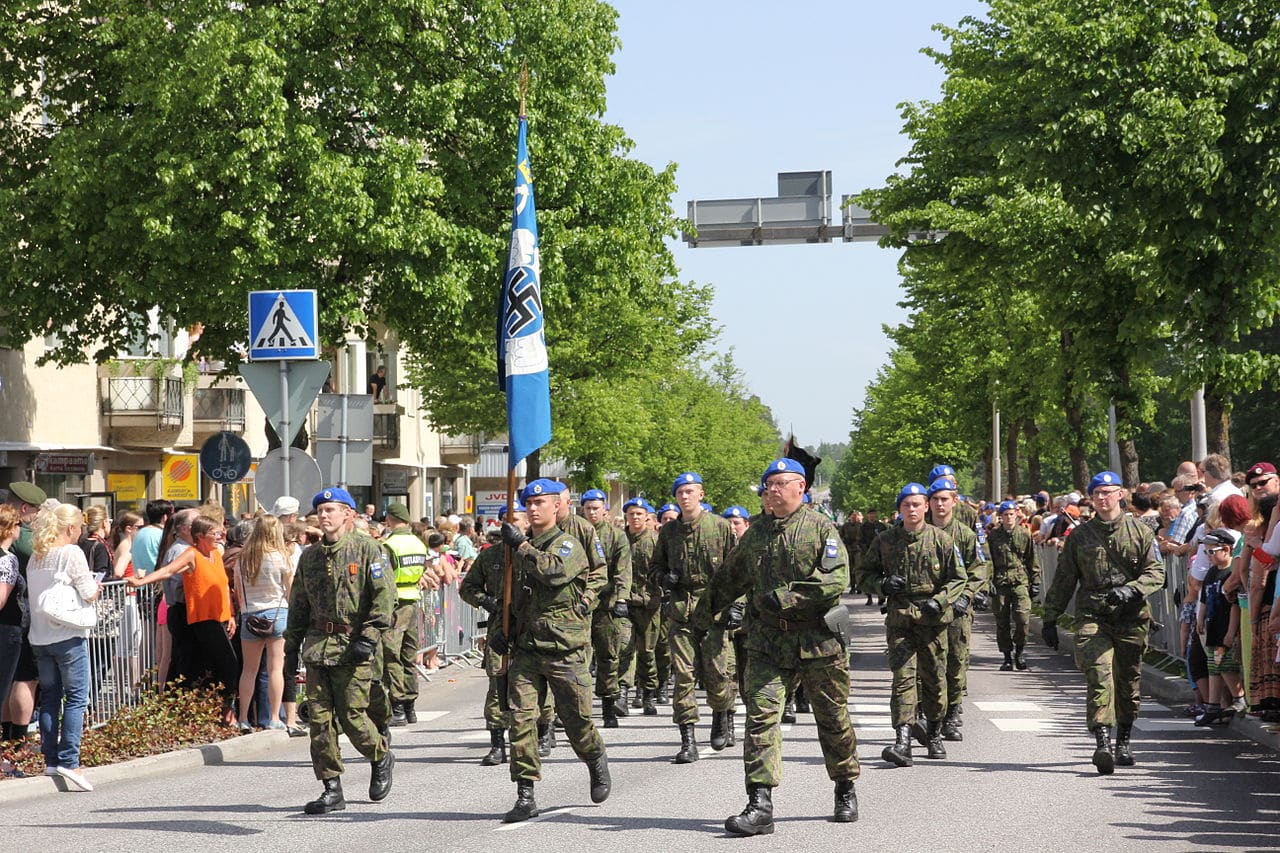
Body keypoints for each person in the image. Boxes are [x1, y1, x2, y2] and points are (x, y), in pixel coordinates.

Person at [711, 459, 859, 835]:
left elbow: (834, 579)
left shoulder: (820, 527)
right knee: (760, 718)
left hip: (817, 642)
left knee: (832, 718)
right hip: (767, 642)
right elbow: (730, 579)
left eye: (780, 484)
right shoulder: (756, 533)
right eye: (767, 485)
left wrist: (788, 597)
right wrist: (701, 617)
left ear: (801, 488)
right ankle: (760, 803)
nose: (771, 490)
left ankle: (844, 786)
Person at [490, 479, 610, 823]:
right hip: (526, 647)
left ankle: (595, 758)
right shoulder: (514, 549)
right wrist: (501, 630)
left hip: (563, 647)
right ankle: (525, 793)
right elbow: (507, 595)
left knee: (576, 721)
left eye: (540, 502)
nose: (532, 508)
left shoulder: (568, 543)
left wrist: (523, 547)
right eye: (528, 502)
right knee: (521, 718)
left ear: (557, 506)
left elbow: (553, 572)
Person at [1042, 471, 1165, 775]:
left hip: (1131, 618)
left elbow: (1156, 573)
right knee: (1100, 675)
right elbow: (1064, 579)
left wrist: (1131, 589)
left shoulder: (1141, 533)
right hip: (1093, 616)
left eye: (1108, 492)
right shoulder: (1080, 536)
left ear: (1121, 494)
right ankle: (1102, 743)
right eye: (1097, 493)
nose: (1102, 498)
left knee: (1128, 682)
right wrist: (1050, 616)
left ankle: (1123, 741)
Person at [284, 487, 395, 814]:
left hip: (354, 646)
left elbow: (384, 597)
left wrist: (370, 636)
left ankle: (380, 754)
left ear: (349, 514)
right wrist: (291, 648)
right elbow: (299, 604)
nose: (325, 515)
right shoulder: (310, 556)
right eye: (321, 510)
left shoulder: (368, 550)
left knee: (353, 717)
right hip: (319, 647)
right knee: (319, 723)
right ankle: (332, 788)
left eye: (332, 509)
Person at [856, 483, 966, 767]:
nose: (912, 509)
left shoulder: (941, 540)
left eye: (917, 504)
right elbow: (863, 574)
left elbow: (958, 578)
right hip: (900, 617)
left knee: (934, 680)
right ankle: (902, 740)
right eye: (907, 505)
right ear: (900, 509)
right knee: (903, 679)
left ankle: (934, 732)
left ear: (926, 507)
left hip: (933, 620)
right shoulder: (884, 540)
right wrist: (882, 584)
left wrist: (941, 601)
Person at [651, 472, 738, 763]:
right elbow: (654, 570)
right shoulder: (669, 533)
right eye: (680, 493)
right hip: (681, 611)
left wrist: (737, 605)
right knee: (684, 676)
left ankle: (720, 715)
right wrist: (666, 578)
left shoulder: (721, 527)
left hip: (714, 610)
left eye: (690, 491)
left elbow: (739, 572)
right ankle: (687, 739)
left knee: (716, 673)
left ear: (701, 494)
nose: (685, 497)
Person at [459, 501, 552, 766]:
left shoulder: (539, 552)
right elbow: (468, 587)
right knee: (497, 685)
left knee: (540, 682)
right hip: (500, 628)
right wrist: (486, 601)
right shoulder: (490, 556)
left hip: (533, 627)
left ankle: (544, 732)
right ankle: (497, 743)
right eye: (505, 519)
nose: (510, 524)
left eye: (516, 519)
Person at [130, 516, 240, 722]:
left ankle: (209, 711)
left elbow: (224, 586)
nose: (220, 536)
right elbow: (168, 571)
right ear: (199, 536)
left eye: (220, 532)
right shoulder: (191, 554)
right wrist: (141, 581)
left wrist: (231, 614)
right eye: (215, 533)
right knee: (228, 664)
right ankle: (225, 711)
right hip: (202, 619)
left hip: (220, 617)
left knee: (210, 665)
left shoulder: (216, 554)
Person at [26, 502, 102, 791]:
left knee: (49, 698)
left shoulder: (37, 555)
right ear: (70, 528)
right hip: (67, 636)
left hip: (40, 636)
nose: (80, 532)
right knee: (76, 698)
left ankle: (50, 759)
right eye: (79, 528)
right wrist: (96, 590)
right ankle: (70, 761)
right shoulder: (71, 553)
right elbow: (88, 591)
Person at [925, 476, 989, 742]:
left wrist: (969, 595)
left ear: (954, 501)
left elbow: (979, 568)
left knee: (955, 662)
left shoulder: (965, 534)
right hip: (928, 609)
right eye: (936, 499)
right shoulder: (920, 529)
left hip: (957, 609)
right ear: (928, 503)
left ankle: (951, 715)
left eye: (945, 499)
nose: (940, 504)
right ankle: (927, 714)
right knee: (928, 664)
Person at [232, 515, 294, 731]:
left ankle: (243, 718)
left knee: (249, 670)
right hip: (277, 613)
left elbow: (238, 590)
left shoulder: (243, 558)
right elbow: (290, 589)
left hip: (250, 614)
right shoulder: (280, 557)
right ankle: (275, 718)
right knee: (276, 668)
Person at [580, 489, 633, 727]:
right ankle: (575, 709)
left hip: (607, 604)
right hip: (580, 605)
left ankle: (609, 707)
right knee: (578, 659)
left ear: (604, 510)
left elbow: (623, 571)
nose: (592, 512)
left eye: (596, 508)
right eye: (587, 508)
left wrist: (621, 598)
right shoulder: (576, 534)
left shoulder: (616, 536)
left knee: (608, 657)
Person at [380, 501, 433, 727]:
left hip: (395, 603)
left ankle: (398, 706)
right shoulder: (418, 543)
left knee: (391, 655)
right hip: (414, 599)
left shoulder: (389, 544)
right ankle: (411, 707)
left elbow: (384, 576)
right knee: (409, 655)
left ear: (390, 520)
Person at [618, 498, 661, 715]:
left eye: (639, 514)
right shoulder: (620, 539)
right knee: (625, 648)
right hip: (625, 603)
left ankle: (648, 693)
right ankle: (623, 692)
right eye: (631, 513)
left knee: (647, 652)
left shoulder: (655, 540)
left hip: (650, 604)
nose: (635, 517)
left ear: (647, 516)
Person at [987, 500, 1040, 671]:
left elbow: (1032, 559)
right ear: (1000, 517)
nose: (1009, 518)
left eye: (1011, 514)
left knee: (1022, 618)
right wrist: (988, 581)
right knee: (1002, 620)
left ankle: (1020, 652)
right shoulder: (993, 536)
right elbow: (989, 562)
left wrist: (1035, 581)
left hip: (1020, 580)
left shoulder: (1024, 534)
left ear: (1016, 514)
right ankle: (1007, 656)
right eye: (1005, 515)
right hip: (1001, 580)